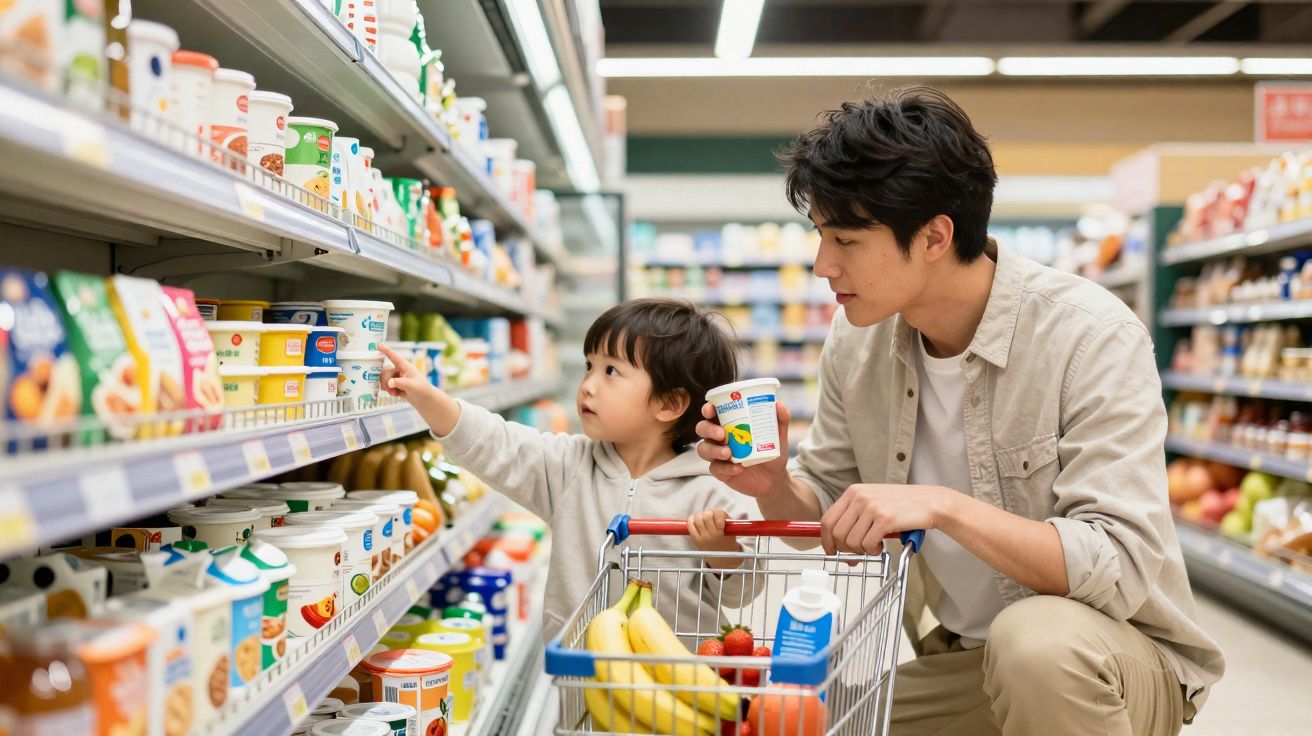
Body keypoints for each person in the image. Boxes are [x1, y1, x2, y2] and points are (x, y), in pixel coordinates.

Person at [695, 86, 1224, 735]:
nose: (821, 264)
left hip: (1112, 659)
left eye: (847, 239)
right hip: (964, 662)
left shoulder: (1090, 337)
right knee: (798, 721)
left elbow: (1116, 563)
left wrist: (943, 505)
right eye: (820, 236)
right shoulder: (857, 341)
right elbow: (831, 518)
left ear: (935, 236)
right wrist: (772, 484)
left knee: (1034, 644)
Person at [378, 298, 759, 639]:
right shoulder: (570, 466)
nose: (588, 385)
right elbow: (496, 442)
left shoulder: (710, 488)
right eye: (589, 366)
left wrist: (722, 551)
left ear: (669, 404)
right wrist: (426, 396)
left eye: (611, 371)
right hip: (583, 679)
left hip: (676, 684)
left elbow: (742, 593)